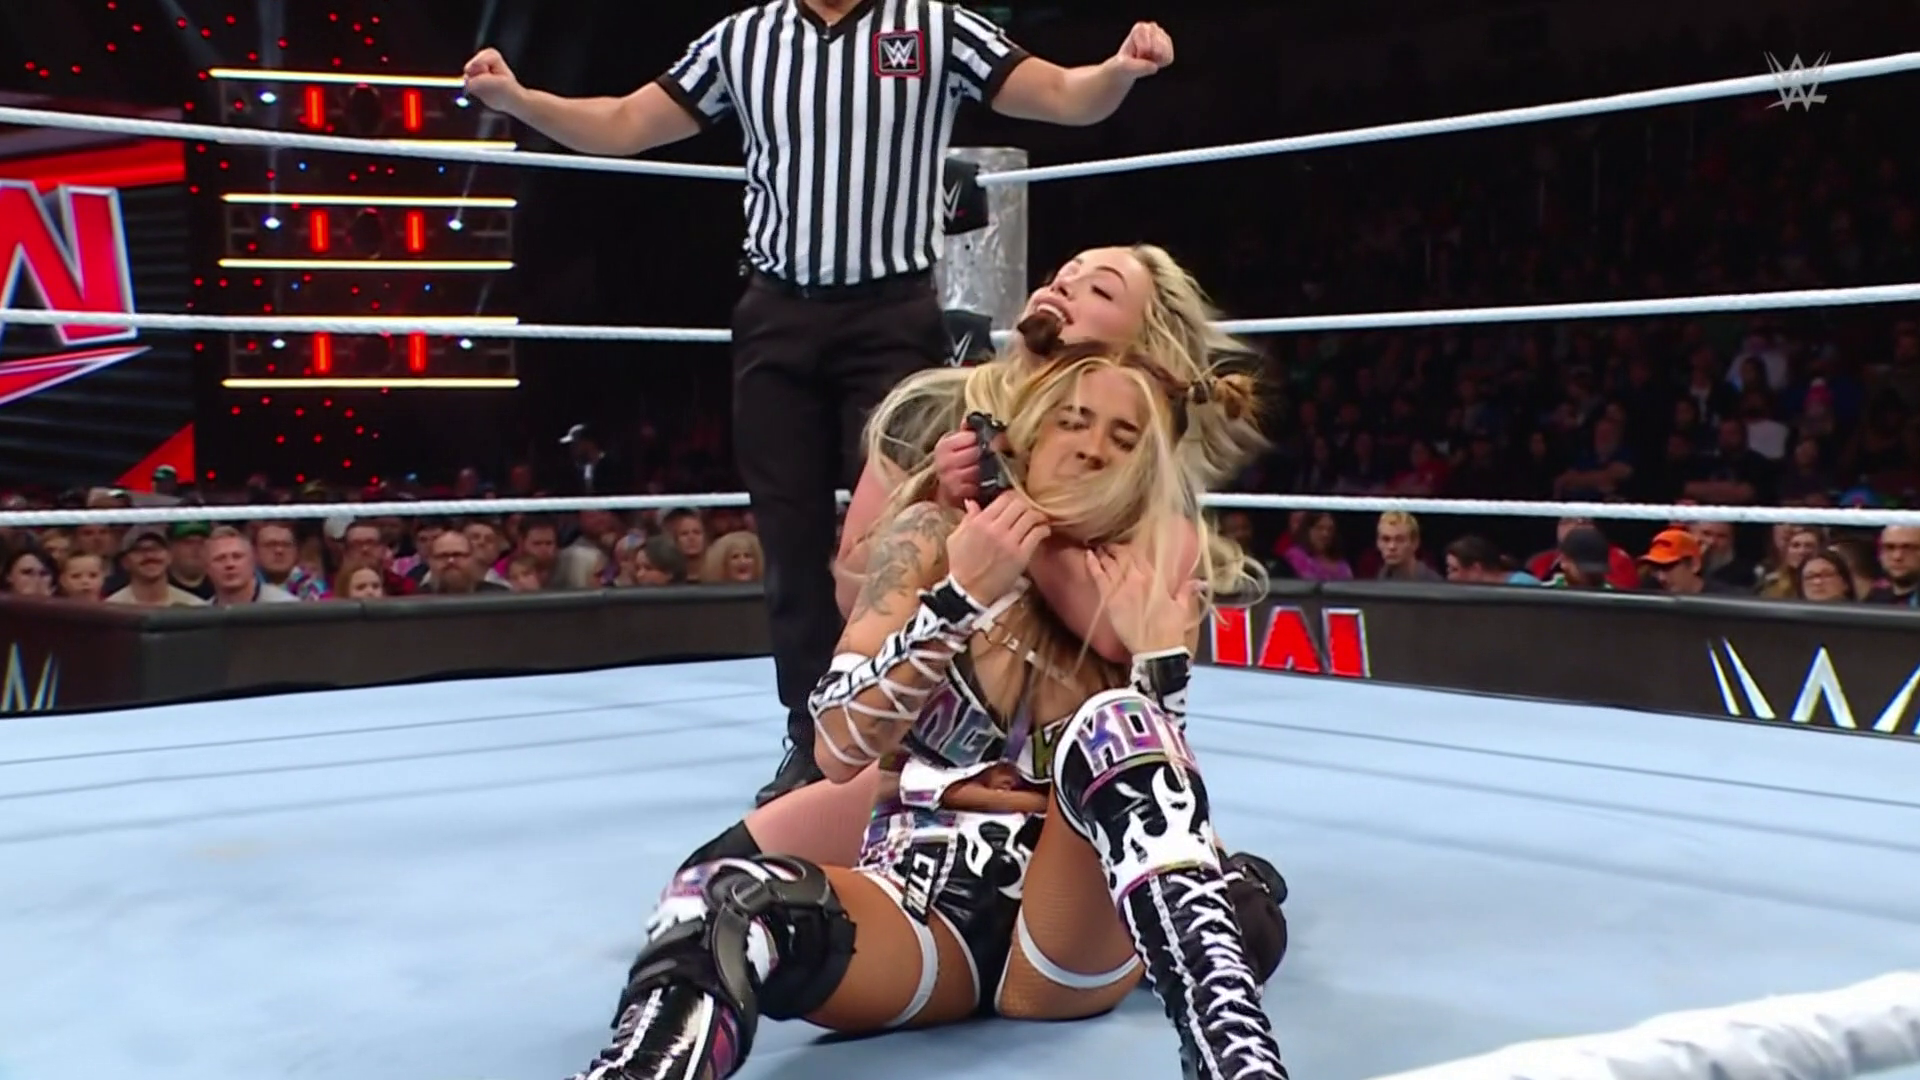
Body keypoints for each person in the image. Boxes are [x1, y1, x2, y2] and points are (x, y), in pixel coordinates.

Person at [464, 8, 1178, 807]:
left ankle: (921, 724)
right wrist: (521, 100)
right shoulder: (744, 38)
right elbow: (628, 122)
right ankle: (811, 739)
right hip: (778, 314)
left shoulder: (934, 26)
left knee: (912, 523)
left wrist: (1118, 71)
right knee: (790, 541)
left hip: (891, 317)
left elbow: (1061, 94)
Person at [568, 345, 1287, 1080]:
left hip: (1066, 922)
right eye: (1073, 421)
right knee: (716, 899)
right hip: (920, 899)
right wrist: (958, 601)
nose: (1093, 446)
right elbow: (837, 744)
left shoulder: (1148, 573)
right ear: (1030, 431)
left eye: (1123, 437)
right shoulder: (930, 535)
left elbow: (1161, 788)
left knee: (1119, 724)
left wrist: (1159, 664)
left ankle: (1240, 1066)